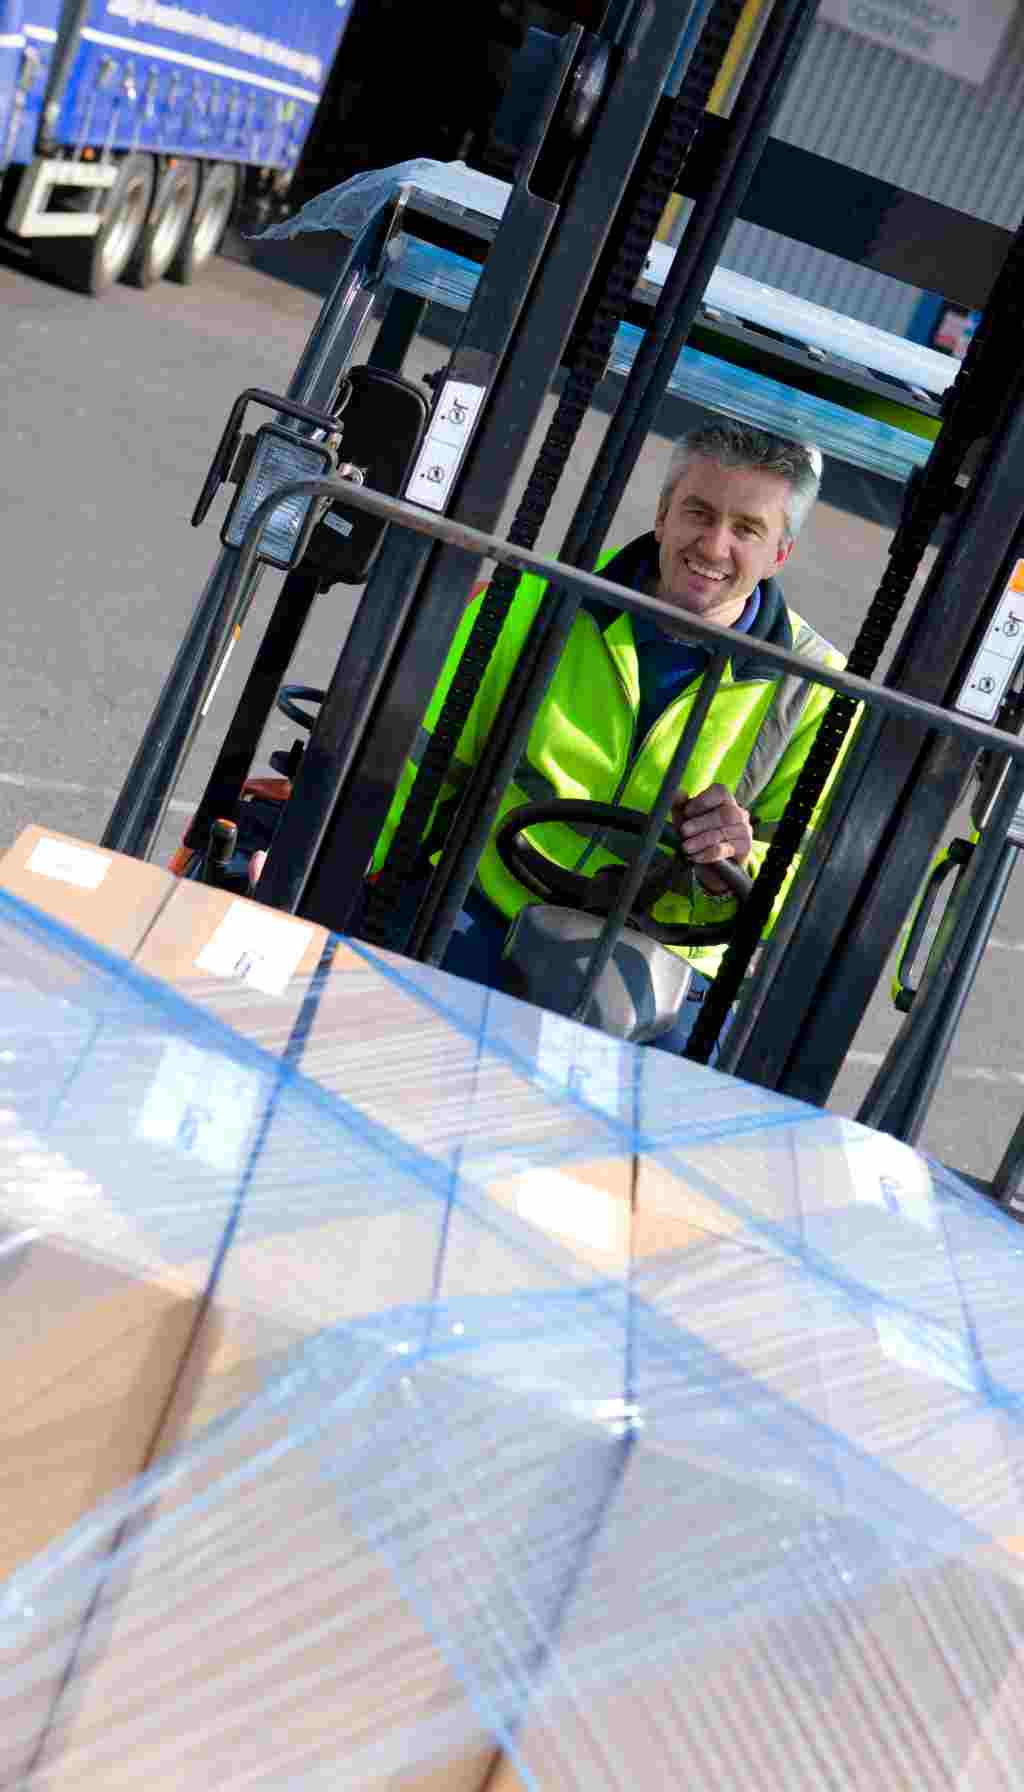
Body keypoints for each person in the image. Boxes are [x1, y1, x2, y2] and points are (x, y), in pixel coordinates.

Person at [377, 420, 845, 1051]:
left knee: (697, 1092)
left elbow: (807, 879)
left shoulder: (817, 691)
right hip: (491, 906)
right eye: (699, 513)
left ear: (779, 554)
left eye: (746, 529)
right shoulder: (534, 602)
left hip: (670, 963)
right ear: (663, 515)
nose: (713, 545)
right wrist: (354, 876)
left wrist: (734, 865)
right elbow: (423, 764)